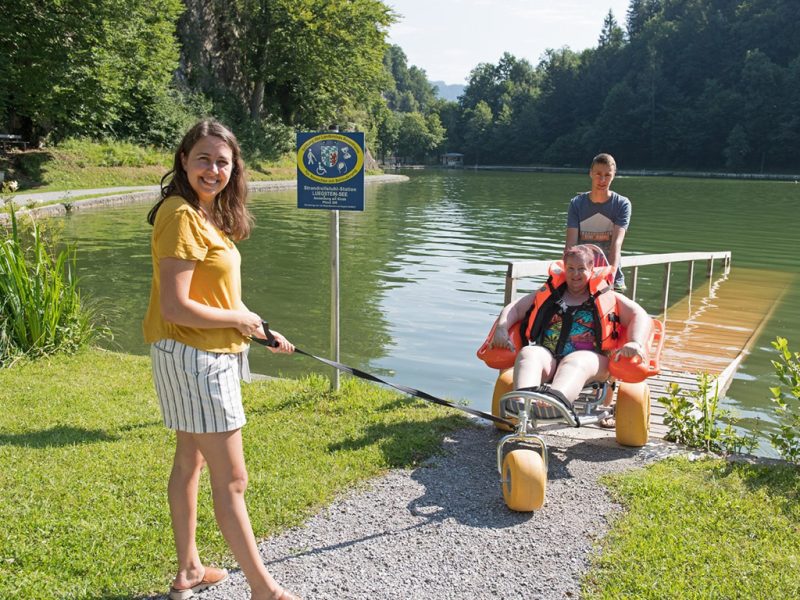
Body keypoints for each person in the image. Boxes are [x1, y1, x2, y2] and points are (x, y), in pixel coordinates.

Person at [143, 119, 300, 600]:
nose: (213, 170)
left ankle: (189, 569)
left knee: (189, 461)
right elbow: (175, 306)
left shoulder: (206, 214)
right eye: (204, 159)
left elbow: (212, 295)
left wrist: (252, 326)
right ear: (184, 161)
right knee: (232, 479)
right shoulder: (182, 216)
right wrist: (239, 318)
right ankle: (264, 591)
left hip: (204, 351)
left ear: (235, 169)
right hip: (195, 357)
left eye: (223, 162)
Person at [490, 245, 650, 423]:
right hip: (549, 357)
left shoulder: (607, 296)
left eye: (581, 269)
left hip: (592, 360)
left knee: (576, 361)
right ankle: (523, 401)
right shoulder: (550, 293)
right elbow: (516, 308)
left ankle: (555, 402)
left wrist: (635, 342)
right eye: (571, 269)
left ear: (591, 269)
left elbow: (640, 315)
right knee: (529, 353)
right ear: (564, 269)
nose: (576, 274)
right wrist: (501, 329)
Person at [565, 153, 631, 292]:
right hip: (581, 276)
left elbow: (616, 244)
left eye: (607, 175)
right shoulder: (576, 203)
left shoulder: (622, 204)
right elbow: (570, 246)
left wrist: (610, 278)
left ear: (613, 175)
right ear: (590, 173)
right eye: (598, 174)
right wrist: (568, 276)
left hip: (611, 275)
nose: (602, 180)